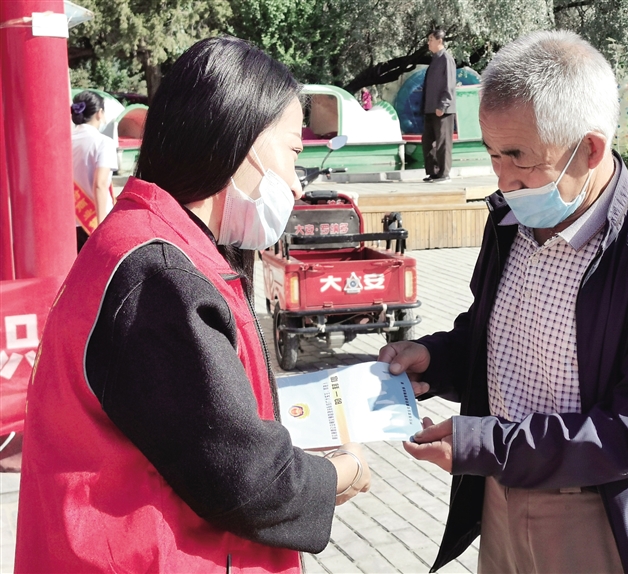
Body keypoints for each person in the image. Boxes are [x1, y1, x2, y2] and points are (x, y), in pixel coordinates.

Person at [16, 37, 371, 572]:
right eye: (293, 152)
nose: (296, 187)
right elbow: (244, 479)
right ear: (243, 140)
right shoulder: (160, 273)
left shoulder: (147, 239)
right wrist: (344, 471)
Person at [380, 30, 628, 574]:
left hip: (605, 516)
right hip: (501, 499)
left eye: (518, 156)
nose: (502, 178)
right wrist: (436, 359)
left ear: (590, 149)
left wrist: (488, 445)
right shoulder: (510, 222)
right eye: (491, 153)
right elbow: (495, 336)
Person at [70, 90, 118, 251]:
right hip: (95, 220)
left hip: (71, 221)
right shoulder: (103, 142)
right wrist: (101, 224)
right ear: (100, 113)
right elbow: (100, 184)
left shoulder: (66, 141)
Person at [421, 28, 456, 183]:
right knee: (428, 142)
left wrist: (443, 105)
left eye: (431, 39)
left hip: (443, 109)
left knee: (443, 142)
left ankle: (444, 173)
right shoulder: (434, 59)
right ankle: (433, 172)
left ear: (439, 41)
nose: (428, 43)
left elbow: (449, 83)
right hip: (430, 108)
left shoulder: (446, 59)